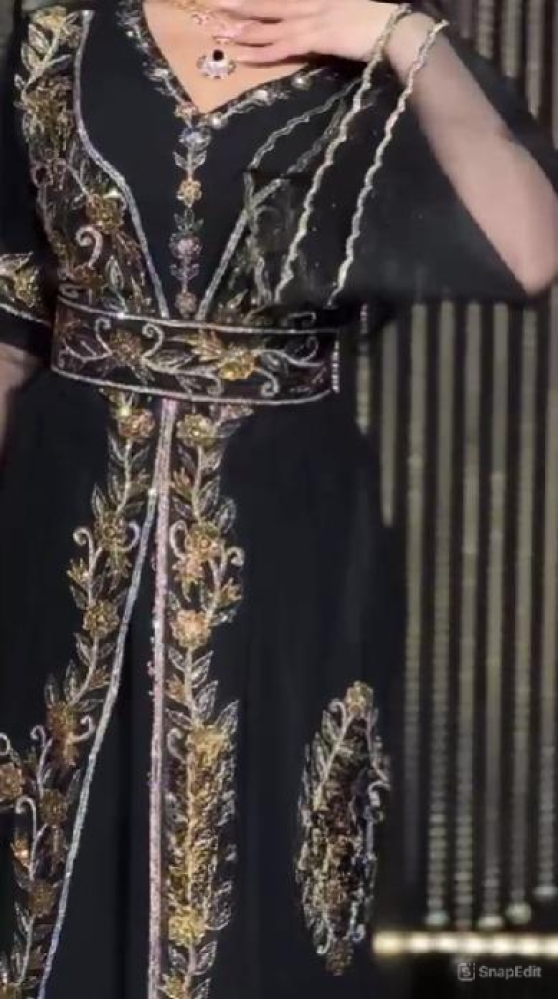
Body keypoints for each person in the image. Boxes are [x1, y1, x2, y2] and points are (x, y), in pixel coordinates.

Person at [0, 1, 557, 997]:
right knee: (41, 848)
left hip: (284, 517)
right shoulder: (57, 37)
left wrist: (400, 38)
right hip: (64, 504)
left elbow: (529, 252)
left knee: (272, 855)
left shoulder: (380, 53)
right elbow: (9, 331)